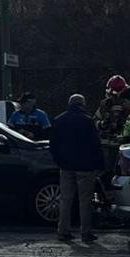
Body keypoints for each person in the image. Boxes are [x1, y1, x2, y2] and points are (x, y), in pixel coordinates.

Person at [49, 94, 102, 243]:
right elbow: (95, 145)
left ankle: (63, 231)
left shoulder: (59, 120)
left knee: (65, 199)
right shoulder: (88, 121)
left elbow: (53, 145)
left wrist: (58, 161)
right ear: (82, 104)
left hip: (66, 166)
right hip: (85, 167)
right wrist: (98, 165)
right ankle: (85, 232)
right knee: (85, 200)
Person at [95, 75, 130, 175]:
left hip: (123, 145)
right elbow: (95, 120)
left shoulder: (127, 105)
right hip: (107, 144)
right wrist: (101, 124)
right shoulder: (104, 105)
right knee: (107, 172)